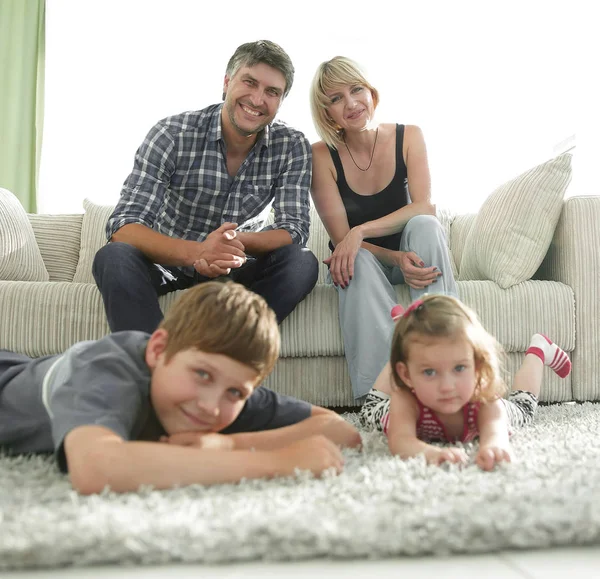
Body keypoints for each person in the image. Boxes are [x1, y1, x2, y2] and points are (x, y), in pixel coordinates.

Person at [0, 282, 361, 495]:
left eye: (235, 393)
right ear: (158, 351)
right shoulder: (107, 370)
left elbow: (340, 430)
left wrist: (226, 441)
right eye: (202, 375)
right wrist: (275, 462)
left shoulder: (222, 388)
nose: (209, 406)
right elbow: (96, 469)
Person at [93, 40, 318, 333]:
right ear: (227, 82)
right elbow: (124, 225)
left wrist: (231, 243)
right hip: (168, 262)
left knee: (302, 262)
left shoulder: (291, 145)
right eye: (249, 82)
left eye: (272, 92)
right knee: (114, 256)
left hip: (236, 266)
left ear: (280, 100)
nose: (258, 99)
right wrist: (199, 252)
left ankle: (230, 358)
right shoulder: (172, 134)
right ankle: (151, 362)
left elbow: (294, 230)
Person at [309, 56, 457, 401]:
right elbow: (340, 240)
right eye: (335, 98)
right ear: (326, 112)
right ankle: (383, 397)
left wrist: (360, 231)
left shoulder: (409, 136)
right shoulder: (320, 156)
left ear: (371, 92)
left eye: (356, 89)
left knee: (424, 224)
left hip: (415, 255)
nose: (351, 103)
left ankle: (449, 363)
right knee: (353, 258)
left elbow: (424, 206)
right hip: (368, 263)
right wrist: (390, 255)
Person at [359, 294, 571, 470]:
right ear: (407, 376)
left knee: (524, 410)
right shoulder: (405, 397)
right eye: (430, 372)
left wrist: (493, 446)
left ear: (477, 366)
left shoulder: (485, 396)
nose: (447, 386)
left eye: (459, 368)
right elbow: (401, 441)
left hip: (476, 395)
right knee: (368, 412)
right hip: (412, 397)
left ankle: (539, 349)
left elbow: (496, 433)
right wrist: (432, 453)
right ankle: (405, 341)